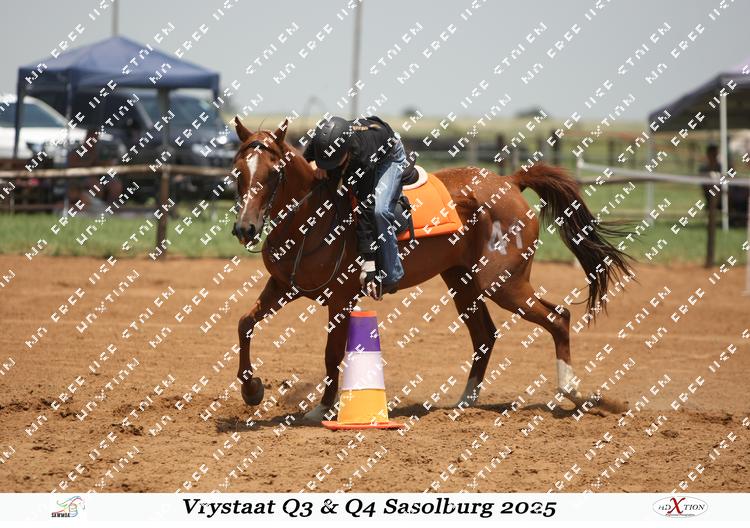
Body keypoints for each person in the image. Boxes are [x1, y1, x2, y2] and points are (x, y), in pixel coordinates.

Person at [303, 115, 413, 299]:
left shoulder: (363, 158)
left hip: (389, 156)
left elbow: (365, 207)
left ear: (347, 151)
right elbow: (305, 161)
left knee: (380, 211)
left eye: (333, 162)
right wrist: (315, 163)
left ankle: (392, 275)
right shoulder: (321, 139)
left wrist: (368, 261)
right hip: (364, 141)